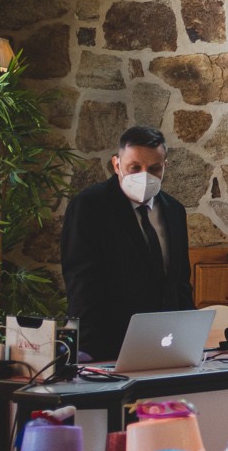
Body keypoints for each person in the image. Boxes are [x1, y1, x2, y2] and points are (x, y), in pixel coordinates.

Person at [61, 125, 194, 361]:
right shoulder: (89, 206)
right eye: (135, 167)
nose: (145, 175)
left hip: (165, 344)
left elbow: (180, 282)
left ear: (165, 167)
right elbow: (82, 282)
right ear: (116, 165)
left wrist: (189, 337)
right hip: (105, 346)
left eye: (154, 168)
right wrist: (89, 351)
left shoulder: (174, 211)